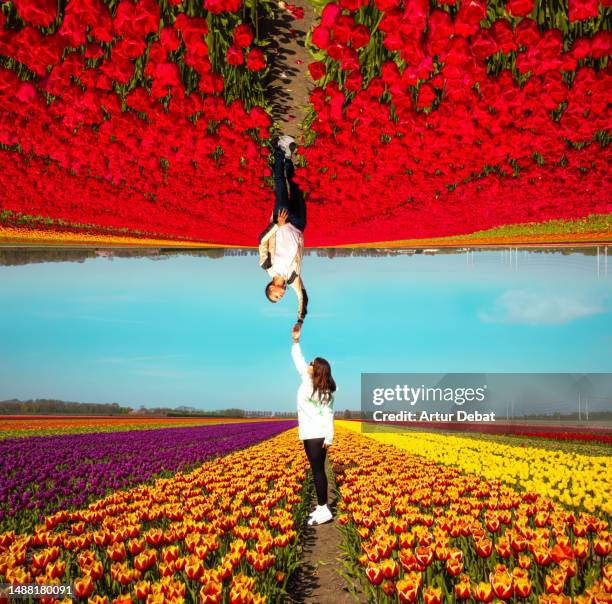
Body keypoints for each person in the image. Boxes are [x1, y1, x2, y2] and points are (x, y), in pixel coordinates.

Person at [259, 135, 308, 334]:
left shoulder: (266, 266)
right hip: (298, 225)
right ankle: (288, 159)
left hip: (282, 219)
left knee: (280, 185)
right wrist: (299, 321)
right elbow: (303, 296)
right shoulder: (292, 278)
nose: (281, 296)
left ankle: (279, 148)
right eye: (279, 298)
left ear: (271, 288)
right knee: (295, 189)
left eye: (276, 296)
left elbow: (262, 241)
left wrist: (277, 225)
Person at [291, 323, 335, 526]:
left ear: (317, 370)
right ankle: (320, 508)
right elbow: (298, 360)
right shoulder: (306, 380)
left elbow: (328, 414)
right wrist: (296, 341)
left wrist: (329, 437)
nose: (308, 364)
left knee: (318, 470)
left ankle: (324, 509)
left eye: (312, 363)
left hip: (317, 435)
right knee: (315, 469)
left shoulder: (324, 392)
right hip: (308, 433)